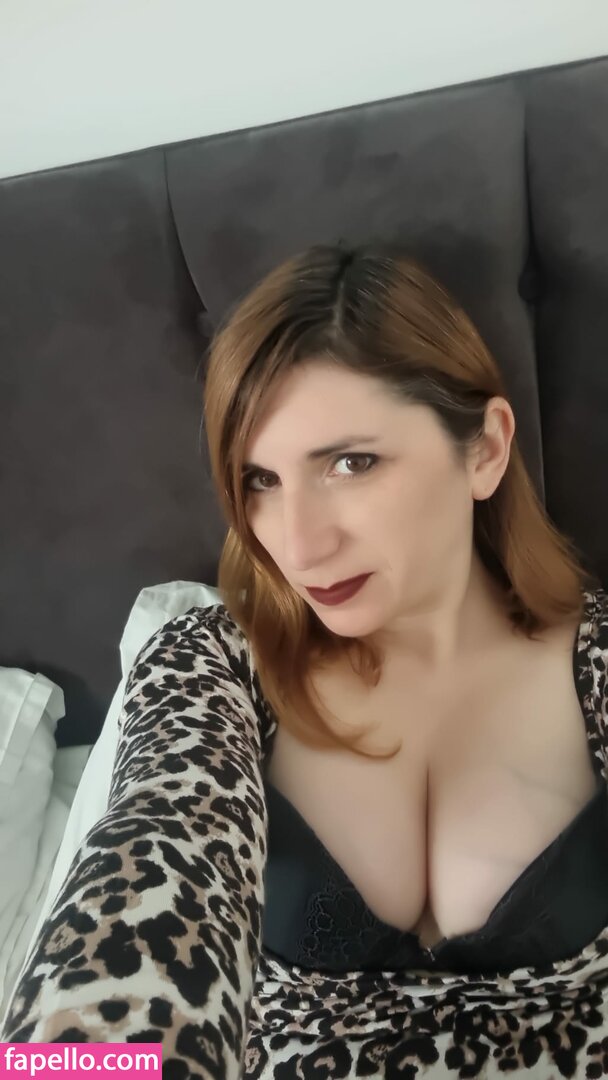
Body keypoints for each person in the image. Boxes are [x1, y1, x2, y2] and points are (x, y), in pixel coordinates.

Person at [3, 244, 608, 1079]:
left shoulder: (597, 660)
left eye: (350, 463)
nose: (298, 545)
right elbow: (147, 870)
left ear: (484, 451)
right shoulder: (210, 667)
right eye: (260, 480)